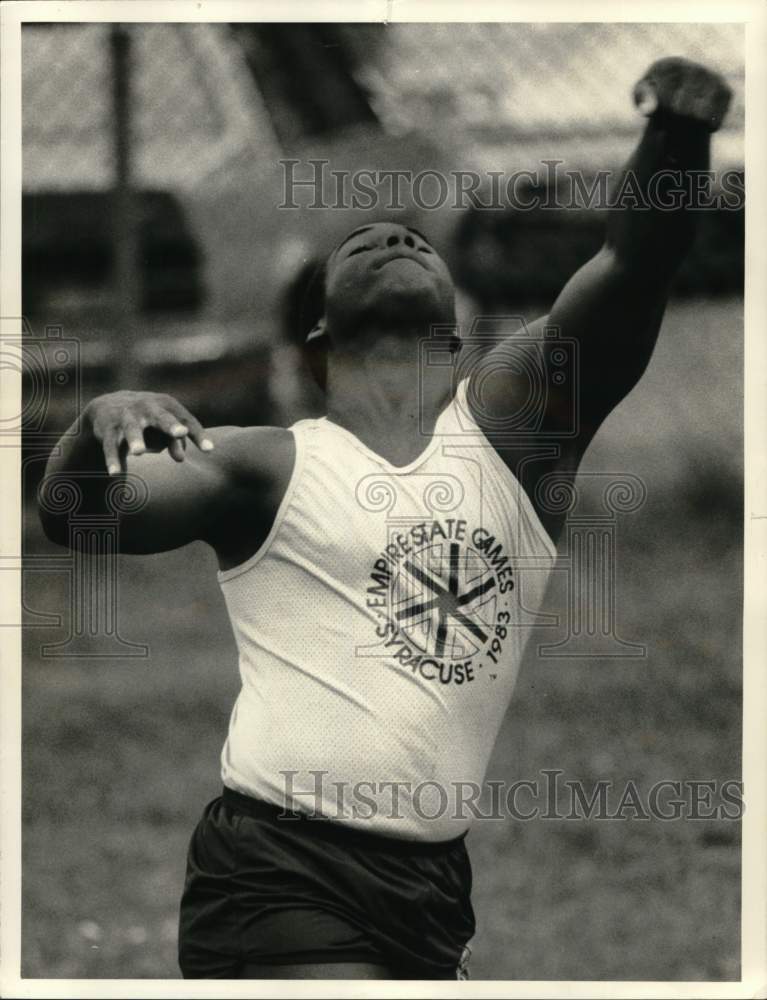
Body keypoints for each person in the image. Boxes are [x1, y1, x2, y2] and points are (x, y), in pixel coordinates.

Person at [40, 58, 732, 980]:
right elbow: (78, 519)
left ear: (454, 321)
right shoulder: (264, 464)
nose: (385, 237)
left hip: (430, 889)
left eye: (410, 239)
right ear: (319, 334)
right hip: (277, 869)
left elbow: (633, 264)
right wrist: (96, 423)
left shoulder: (519, 439)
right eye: (356, 244)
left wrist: (677, 133)